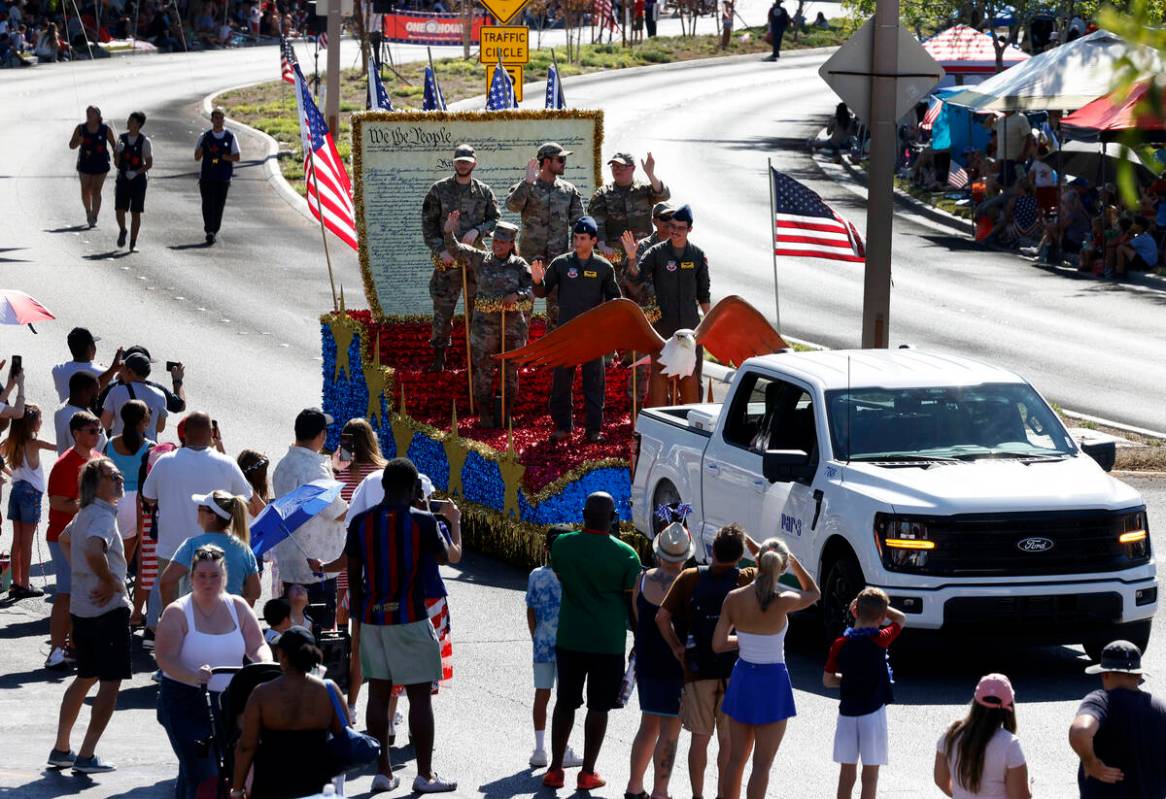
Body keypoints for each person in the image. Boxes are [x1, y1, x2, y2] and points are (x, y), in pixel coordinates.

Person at [346, 457, 456, 793]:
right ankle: (424, 775)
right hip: (410, 617)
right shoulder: (422, 521)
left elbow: (353, 578)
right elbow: (443, 556)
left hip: (374, 618)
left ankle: (383, 771)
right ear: (412, 490)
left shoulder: (361, 523)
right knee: (420, 697)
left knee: (378, 694)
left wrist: (359, 622)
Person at [542, 491, 641, 791]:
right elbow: (632, 607)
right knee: (599, 707)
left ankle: (555, 769)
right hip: (607, 643)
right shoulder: (627, 555)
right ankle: (587, 773)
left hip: (570, 637)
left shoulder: (562, 546)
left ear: (583, 513)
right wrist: (640, 636)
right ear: (613, 518)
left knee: (565, 703)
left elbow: (560, 577)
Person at [154, 544, 271, 798]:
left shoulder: (238, 606)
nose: (208, 582)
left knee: (214, 770)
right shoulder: (177, 611)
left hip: (230, 703)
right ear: (192, 578)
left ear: (225, 577)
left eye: (214, 576)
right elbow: (164, 657)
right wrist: (193, 675)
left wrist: (263, 668)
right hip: (184, 701)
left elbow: (258, 644)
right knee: (204, 771)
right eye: (202, 576)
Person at [656, 523, 761, 799]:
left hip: (696, 668)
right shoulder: (746, 578)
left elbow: (661, 618)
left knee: (699, 739)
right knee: (728, 741)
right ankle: (722, 795)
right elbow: (768, 562)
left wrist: (678, 648)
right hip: (734, 669)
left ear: (712, 550)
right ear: (739, 556)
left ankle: (697, 795)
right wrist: (746, 539)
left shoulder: (690, 577)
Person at [713, 538, 820, 799]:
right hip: (772, 682)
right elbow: (814, 593)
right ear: (781, 567)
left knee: (736, 759)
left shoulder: (733, 598)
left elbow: (717, 644)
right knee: (762, 765)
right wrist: (793, 560)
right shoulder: (785, 600)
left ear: (756, 561)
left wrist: (748, 640)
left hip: (742, 678)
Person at [47, 458, 130, 774]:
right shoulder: (102, 517)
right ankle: (86, 755)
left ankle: (62, 748)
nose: (120, 478)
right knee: (109, 684)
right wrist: (110, 582)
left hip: (83, 609)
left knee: (85, 677)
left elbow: (67, 540)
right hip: (107, 611)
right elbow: (95, 551)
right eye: (113, 475)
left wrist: (82, 573)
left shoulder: (84, 514)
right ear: (97, 484)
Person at [140, 413, 258, 634]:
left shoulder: (165, 461)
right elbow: (245, 498)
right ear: (212, 434)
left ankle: (175, 638)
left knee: (176, 607)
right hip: (214, 552)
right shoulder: (226, 463)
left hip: (171, 549)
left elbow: (148, 497)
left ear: (184, 433)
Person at [531, 216, 622, 443]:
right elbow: (542, 292)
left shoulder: (603, 267)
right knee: (561, 382)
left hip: (592, 337)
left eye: (582, 238)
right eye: (576, 237)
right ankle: (563, 426)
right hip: (566, 334)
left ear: (593, 240)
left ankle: (593, 430)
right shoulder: (561, 263)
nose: (577, 242)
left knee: (594, 384)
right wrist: (536, 280)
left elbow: (615, 300)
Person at [231, 626, 345, 799]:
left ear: (282, 655)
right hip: (318, 786)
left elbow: (246, 747)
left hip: (271, 787)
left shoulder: (262, 693)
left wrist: (237, 790)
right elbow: (344, 737)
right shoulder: (328, 690)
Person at [443, 215, 533, 427]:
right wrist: (448, 232)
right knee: (483, 369)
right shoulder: (480, 259)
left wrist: (517, 295)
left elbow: (532, 289)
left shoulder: (520, 265)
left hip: (512, 327)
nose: (498, 245)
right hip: (484, 328)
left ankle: (506, 411)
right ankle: (484, 412)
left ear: (512, 244)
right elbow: (456, 250)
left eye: (503, 242)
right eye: (496, 241)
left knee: (510, 370)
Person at [625, 522, 693, 799]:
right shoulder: (687, 585)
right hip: (675, 665)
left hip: (648, 662)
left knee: (647, 725)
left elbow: (639, 619)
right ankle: (660, 791)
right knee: (670, 731)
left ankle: (634, 786)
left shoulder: (641, 579)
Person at [420, 143, 500, 372]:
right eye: (459, 161)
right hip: (448, 262)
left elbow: (495, 218)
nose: (463, 164)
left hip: (475, 261)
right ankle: (438, 356)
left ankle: (476, 358)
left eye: (467, 160)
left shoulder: (484, 191)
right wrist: (440, 250)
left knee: (477, 311)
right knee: (443, 310)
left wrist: (479, 230)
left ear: (474, 163)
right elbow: (428, 225)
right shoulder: (439, 190)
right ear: (454, 163)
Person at [822, 588, 907, 799]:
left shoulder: (840, 643)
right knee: (870, 776)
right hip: (873, 714)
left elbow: (828, 680)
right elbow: (901, 618)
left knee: (846, 775)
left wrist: (850, 678)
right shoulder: (881, 638)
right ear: (881, 617)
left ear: (855, 612)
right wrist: (881, 610)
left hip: (847, 715)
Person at [624, 203, 711, 407]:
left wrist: (708, 327)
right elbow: (635, 281)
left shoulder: (697, 256)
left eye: (680, 228)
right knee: (659, 387)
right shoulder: (656, 253)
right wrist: (630, 258)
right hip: (663, 329)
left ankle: (692, 433)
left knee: (692, 384)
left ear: (690, 229)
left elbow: (704, 295)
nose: (674, 231)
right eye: (672, 226)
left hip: (690, 332)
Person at [271, 407, 348, 630]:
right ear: (321, 435)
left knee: (293, 629)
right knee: (319, 634)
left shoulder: (283, 465)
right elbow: (339, 512)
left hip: (291, 562)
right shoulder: (314, 470)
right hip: (317, 567)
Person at [1070, 640, 1166, 798]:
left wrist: (1090, 762)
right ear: (1139, 674)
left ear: (1104, 673)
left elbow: (1080, 730)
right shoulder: (1159, 708)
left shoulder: (1101, 701)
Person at [44, 410, 102, 670]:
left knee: (83, 595)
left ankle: (74, 647)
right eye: (91, 431)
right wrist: (91, 505)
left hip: (89, 538)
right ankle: (56, 651)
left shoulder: (99, 460)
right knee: (66, 594)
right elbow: (57, 502)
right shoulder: (64, 464)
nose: (97, 435)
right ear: (76, 434)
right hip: (62, 538)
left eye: (98, 430)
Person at [505, 142, 586, 328]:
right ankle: (522, 355)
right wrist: (527, 183)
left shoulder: (569, 190)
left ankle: (555, 356)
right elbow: (512, 206)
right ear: (547, 161)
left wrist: (576, 250)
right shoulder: (526, 186)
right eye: (561, 159)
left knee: (558, 314)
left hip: (558, 262)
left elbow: (579, 223)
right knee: (522, 314)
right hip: (529, 262)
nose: (564, 163)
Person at [526, 525, 584, 769]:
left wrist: (535, 636)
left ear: (547, 548)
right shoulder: (574, 575)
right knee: (565, 700)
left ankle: (539, 749)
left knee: (542, 693)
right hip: (568, 644)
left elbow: (531, 610)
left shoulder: (536, 575)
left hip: (542, 642)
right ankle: (564, 748)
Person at [934, 674, 1030, 799]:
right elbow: (1019, 797)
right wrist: (1029, 786)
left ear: (975, 703)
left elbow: (940, 780)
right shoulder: (1010, 744)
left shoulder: (951, 734)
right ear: (1009, 707)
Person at [160, 491, 260, 606]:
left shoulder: (191, 545)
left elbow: (166, 582)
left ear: (212, 517)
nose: (197, 510)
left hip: (195, 619)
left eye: (200, 508)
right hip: (232, 620)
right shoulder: (244, 549)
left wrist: (171, 614)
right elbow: (254, 592)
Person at [3, 403, 55, 598]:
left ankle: (15, 582)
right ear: (32, 423)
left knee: (17, 540)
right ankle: (24, 583)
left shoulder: (11, 441)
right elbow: (61, 447)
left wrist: (9, 472)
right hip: (31, 494)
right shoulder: (34, 442)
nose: (42, 422)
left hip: (16, 491)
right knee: (27, 542)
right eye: (40, 418)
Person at [587, 152, 669, 263]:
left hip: (644, 253)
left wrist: (651, 175)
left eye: (621, 166)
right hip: (615, 254)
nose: (617, 170)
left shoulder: (643, 189)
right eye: (614, 166)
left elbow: (663, 195)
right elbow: (597, 223)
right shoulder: (603, 194)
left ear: (633, 168)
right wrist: (602, 246)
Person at [103, 400, 152, 568]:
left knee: (108, 550)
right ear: (145, 421)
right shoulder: (151, 447)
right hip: (135, 504)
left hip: (111, 499)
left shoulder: (109, 444)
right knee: (124, 559)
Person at [195, 107, 241, 244]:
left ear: (224, 119)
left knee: (219, 205)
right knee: (207, 204)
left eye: (221, 118)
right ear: (211, 120)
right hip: (207, 177)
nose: (218, 121)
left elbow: (237, 157)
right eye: (216, 118)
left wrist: (224, 157)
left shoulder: (230, 137)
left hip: (223, 177)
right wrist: (201, 150)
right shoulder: (205, 137)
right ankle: (209, 230)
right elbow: (197, 157)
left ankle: (214, 230)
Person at [100, 352, 167, 439]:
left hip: (119, 447)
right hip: (147, 449)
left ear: (129, 371)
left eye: (123, 367)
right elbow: (160, 428)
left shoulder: (116, 391)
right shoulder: (160, 395)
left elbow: (104, 425)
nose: (120, 371)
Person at [68, 105, 116, 227]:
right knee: (85, 189)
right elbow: (71, 145)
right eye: (87, 112)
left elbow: (114, 146)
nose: (89, 115)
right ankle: (88, 211)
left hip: (101, 163)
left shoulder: (105, 129)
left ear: (98, 116)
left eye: (92, 113)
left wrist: (118, 157)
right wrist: (79, 141)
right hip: (85, 163)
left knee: (96, 190)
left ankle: (94, 216)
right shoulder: (80, 129)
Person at [113, 110, 152, 251]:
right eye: (129, 119)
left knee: (136, 212)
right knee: (119, 209)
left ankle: (133, 242)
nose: (128, 122)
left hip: (138, 180)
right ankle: (123, 229)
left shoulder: (145, 141)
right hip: (123, 178)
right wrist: (117, 152)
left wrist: (136, 172)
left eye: (131, 120)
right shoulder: (121, 138)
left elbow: (149, 163)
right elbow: (117, 163)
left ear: (138, 124)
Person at [51, 326, 119, 402]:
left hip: (65, 411)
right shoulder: (104, 373)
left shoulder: (57, 370)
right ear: (89, 348)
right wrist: (106, 369)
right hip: (88, 414)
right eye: (94, 344)